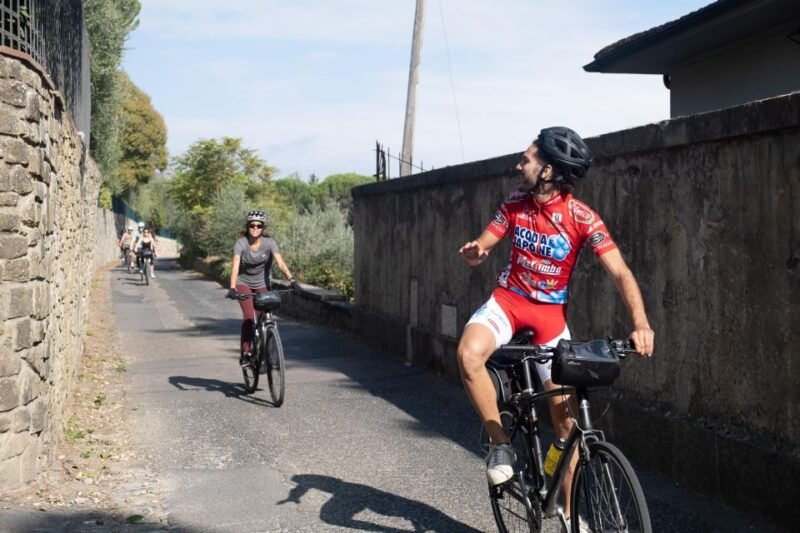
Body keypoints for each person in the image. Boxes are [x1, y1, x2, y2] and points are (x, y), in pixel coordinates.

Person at [456, 127, 654, 525]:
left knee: (567, 430)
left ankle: (565, 508)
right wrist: (478, 251)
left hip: (550, 319)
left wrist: (641, 324)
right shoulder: (515, 204)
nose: (519, 164)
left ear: (547, 170)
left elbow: (619, 272)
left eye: (527, 159)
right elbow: (487, 241)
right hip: (508, 303)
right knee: (467, 354)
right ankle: (500, 447)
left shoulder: (582, 217)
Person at [228, 210, 297, 367]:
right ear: (248, 226)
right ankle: (246, 353)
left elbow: (280, 262)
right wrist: (232, 288)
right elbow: (235, 266)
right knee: (248, 316)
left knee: (264, 318)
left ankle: (263, 350)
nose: (255, 228)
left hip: (262, 283)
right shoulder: (241, 244)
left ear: (263, 228)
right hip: (243, 283)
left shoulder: (269, 243)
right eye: (252, 225)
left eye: (259, 226)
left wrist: (291, 279)